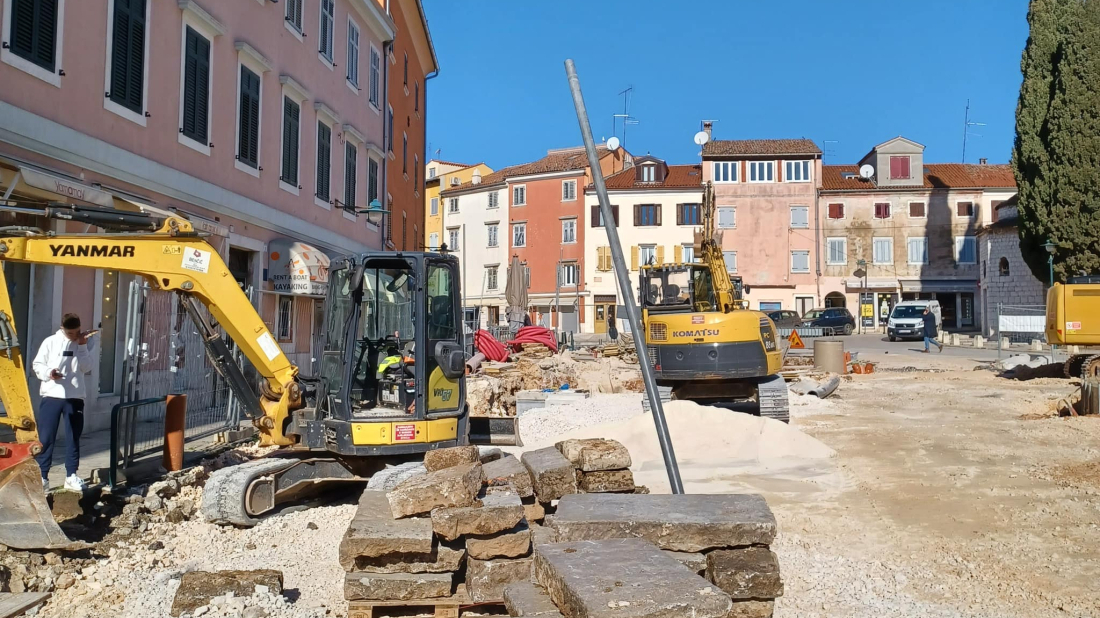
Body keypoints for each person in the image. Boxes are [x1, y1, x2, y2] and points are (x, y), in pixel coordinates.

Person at [32, 313, 96, 491]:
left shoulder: (85, 341)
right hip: (51, 395)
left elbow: (87, 367)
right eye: (70, 333)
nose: (74, 336)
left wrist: (82, 346)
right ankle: (43, 476)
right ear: (62, 329)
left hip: (74, 397)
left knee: (73, 437)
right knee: (46, 438)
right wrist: (49, 373)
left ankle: (71, 475)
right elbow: (37, 364)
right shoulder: (50, 341)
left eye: (77, 332)